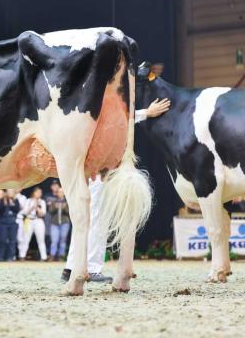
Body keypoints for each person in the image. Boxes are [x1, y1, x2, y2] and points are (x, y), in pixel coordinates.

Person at [62, 98, 171, 283]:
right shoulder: (102, 103)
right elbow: (120, 119)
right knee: (97, 218)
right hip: (99, 167)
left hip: (90, 165)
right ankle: (92, 268)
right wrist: (146, 112)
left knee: (85, 218)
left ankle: (71, 267)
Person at [17, 187, 47, 260]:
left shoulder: (42, 202)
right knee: (26, 239)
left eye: (40, 193)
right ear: (34, 193)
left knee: (41, 240)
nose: (39, 194)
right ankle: (22, 256)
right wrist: (32, 207)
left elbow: (43, 214)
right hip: (29, 220)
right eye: (38, 192)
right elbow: (25, 212)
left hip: (38, 220)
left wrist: (37, 207)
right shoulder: (28, 201)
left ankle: (44, 257)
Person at [48, 187, 70, 261]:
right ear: (57, 193)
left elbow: (69, 213)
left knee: (63, 240)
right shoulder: (53, 202)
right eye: (59, 192)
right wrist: (55, 207)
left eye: (62, 192)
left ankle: (61, 255)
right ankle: (52, 255)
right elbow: (50, 211)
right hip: (55, 223)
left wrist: (64, 208)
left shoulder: (67, 201)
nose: (60, 193)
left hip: (64, 223)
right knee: (54, 240)